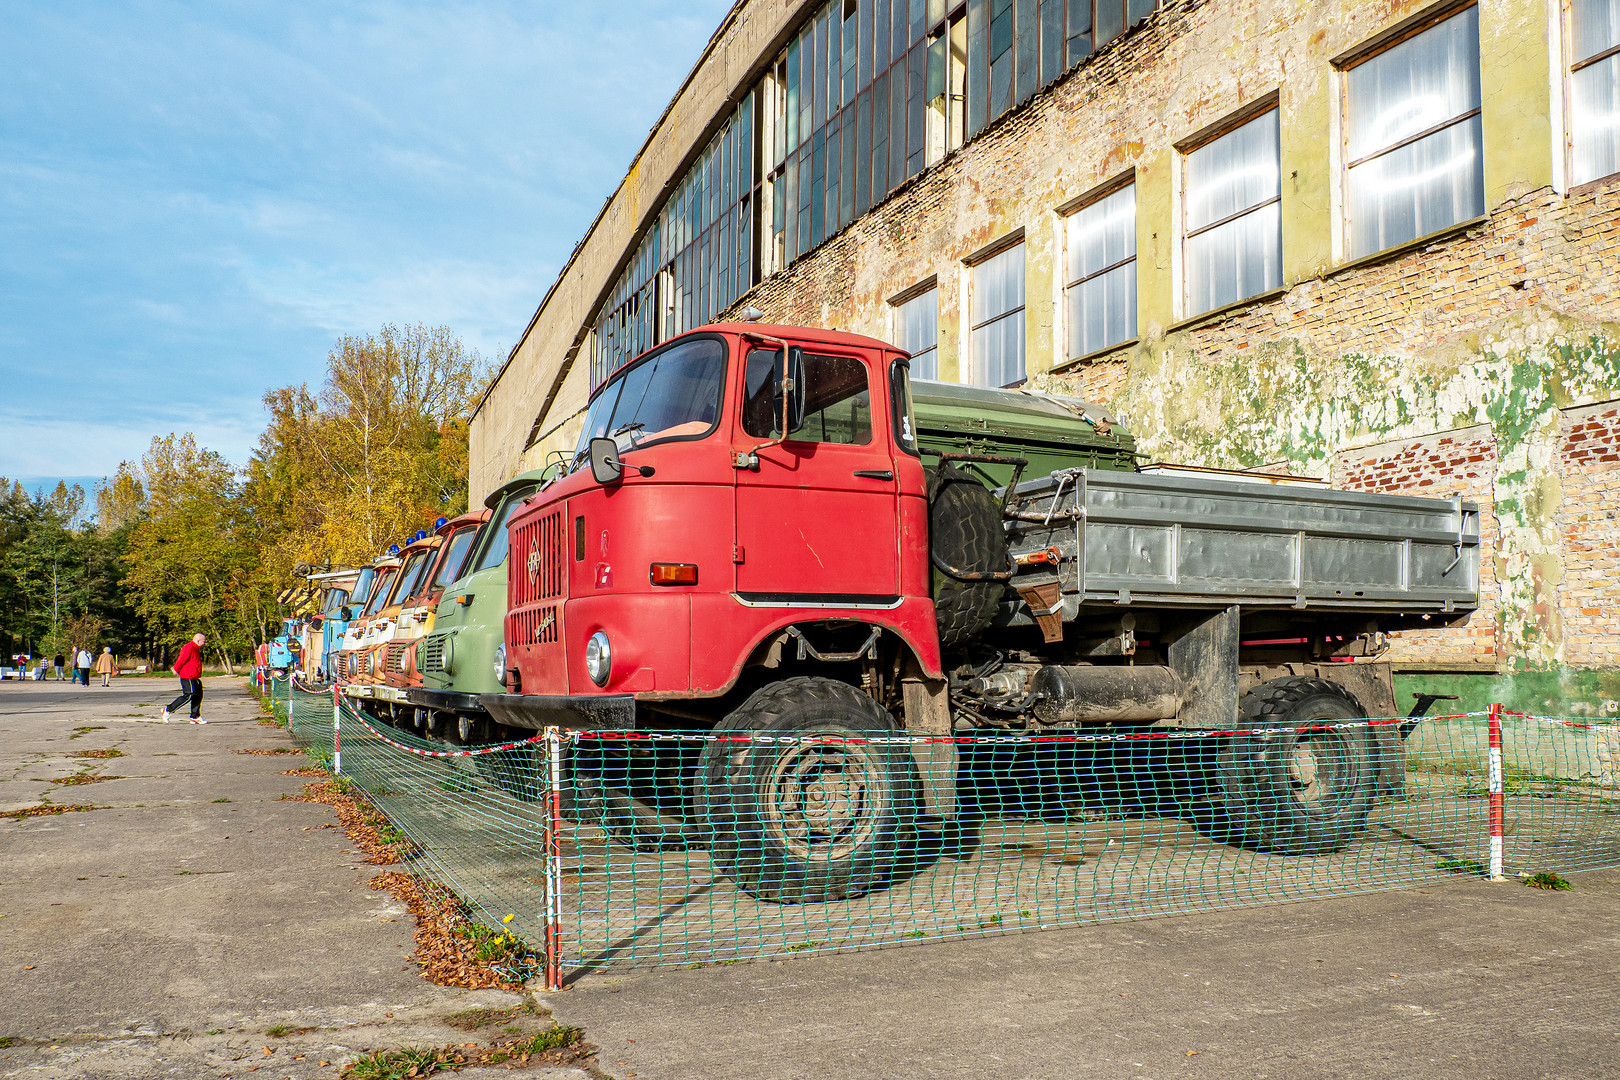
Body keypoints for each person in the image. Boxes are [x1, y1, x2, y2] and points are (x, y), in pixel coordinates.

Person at [161, 633, 207, 723]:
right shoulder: (189, 647)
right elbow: (182, 659)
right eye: (204, 641)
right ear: (198, 640)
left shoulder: (196, 649)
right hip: (187, 676)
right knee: (189, 694)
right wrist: (176, 669)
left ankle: (195, 716)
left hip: (195, 677)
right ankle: (168, 709)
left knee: (198, 696)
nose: (205, 643)